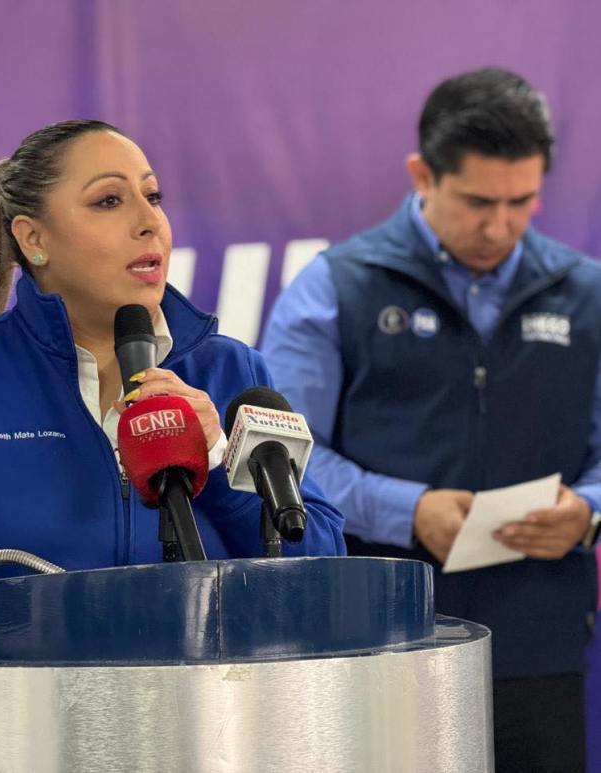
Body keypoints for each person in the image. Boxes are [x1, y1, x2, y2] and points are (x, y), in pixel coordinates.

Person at [0, 120, 345, 716]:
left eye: (152, 196)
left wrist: (213, 454)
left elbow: (317, 557)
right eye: (109, 200)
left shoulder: (230, 369)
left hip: (213, 719)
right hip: (13, 719)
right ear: (34, 240)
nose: (149, 221)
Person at [262, 68, 601, 772]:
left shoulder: (586, 294)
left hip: (539, 646)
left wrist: (588, 511)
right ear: (423, 174)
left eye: (521, 201)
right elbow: (281, 459)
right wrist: (406, 511)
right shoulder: (334, 288)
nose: (499, 226)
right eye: (478, 201)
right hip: (381, 639)